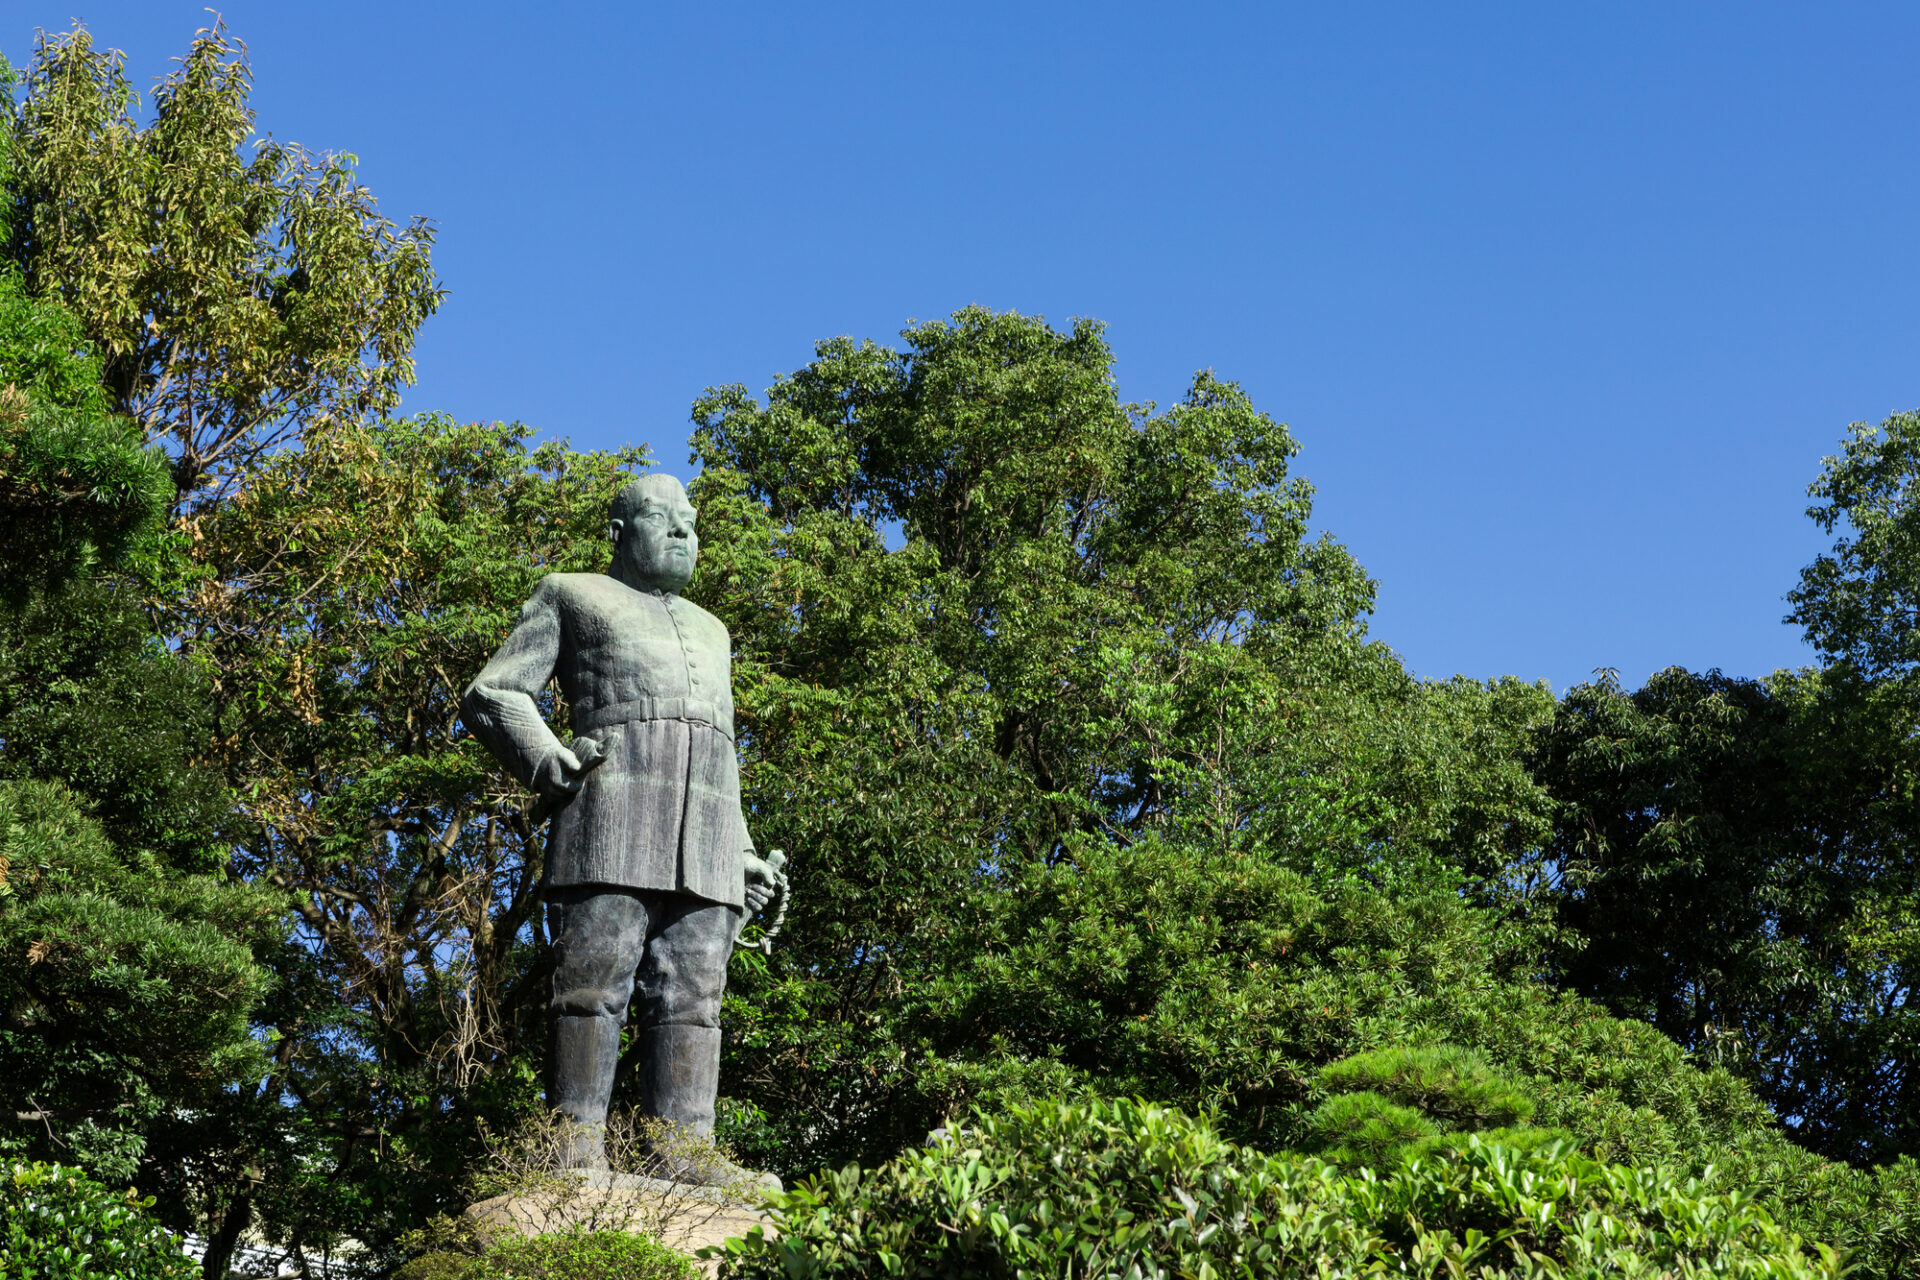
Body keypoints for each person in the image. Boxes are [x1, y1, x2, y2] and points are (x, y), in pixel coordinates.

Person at [462, 473, 784, 1177]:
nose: (681, 532)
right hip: (610, 810)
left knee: (696, 992)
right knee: (593, 978)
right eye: (661, 518)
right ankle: (572, 1143)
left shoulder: (713, 629)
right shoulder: (572, 593)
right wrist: (549, 758)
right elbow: (494, 692)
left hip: (704, 834)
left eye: (690, 522)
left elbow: (721, 746)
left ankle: (684, 1152)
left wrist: (745, 850)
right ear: (617, 532)